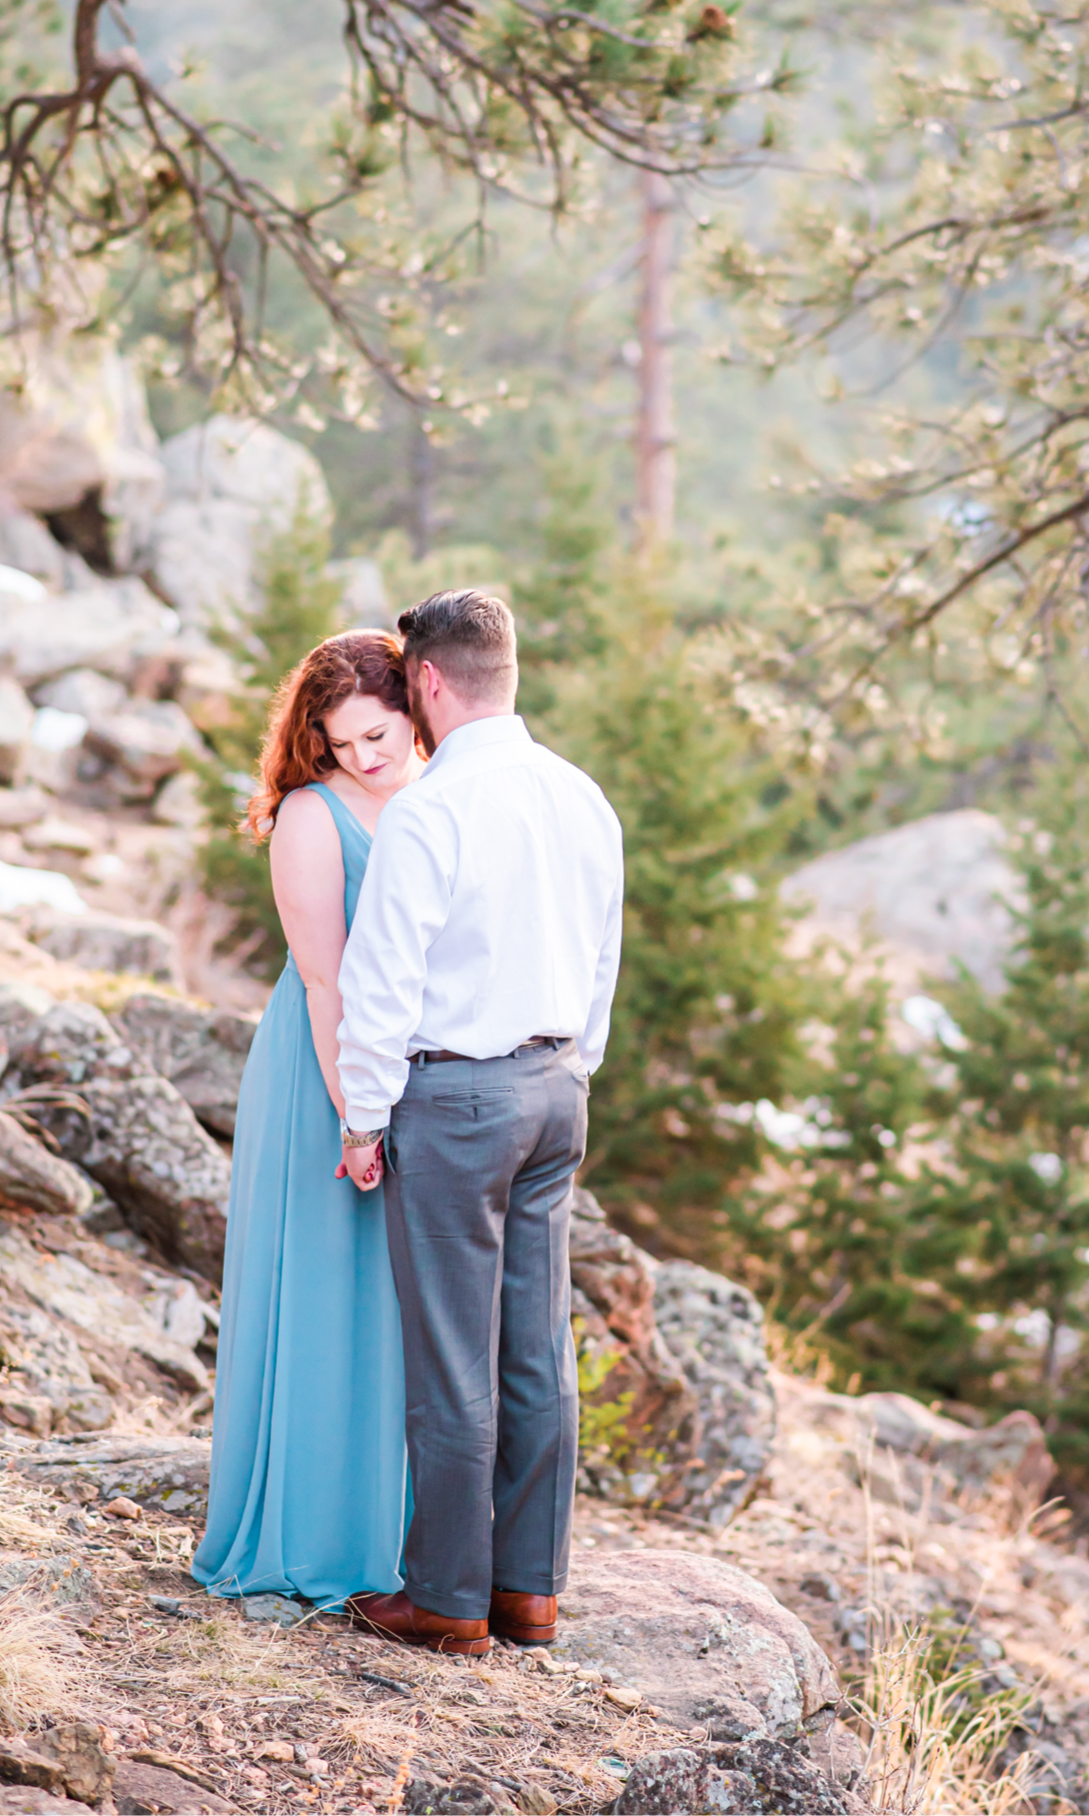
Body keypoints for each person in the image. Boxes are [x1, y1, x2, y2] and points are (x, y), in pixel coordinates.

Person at [334, 588, 624, 1657]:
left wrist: (364, 1121)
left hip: (457, 1100)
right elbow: (601, 957)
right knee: (536, 1349)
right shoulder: (582, 795)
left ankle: (449, 1600)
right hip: (555, 1089)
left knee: (455, 1359)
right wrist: (573, 1068)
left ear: (426, 681)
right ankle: (527, 1593)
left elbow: (382, 983)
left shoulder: (431, 810)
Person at [193, 631, 419, 1608]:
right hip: (323, 1077)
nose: (363, 757)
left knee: (397, 1311)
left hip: (413, 1076)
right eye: (341, 741)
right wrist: (354, 1117)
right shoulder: (311, 814)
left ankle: (396, 1543)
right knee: (326, 1289)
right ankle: (306, 1536)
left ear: (415, 710)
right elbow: (326, 983)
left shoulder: (437, 794)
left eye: (378, 734)